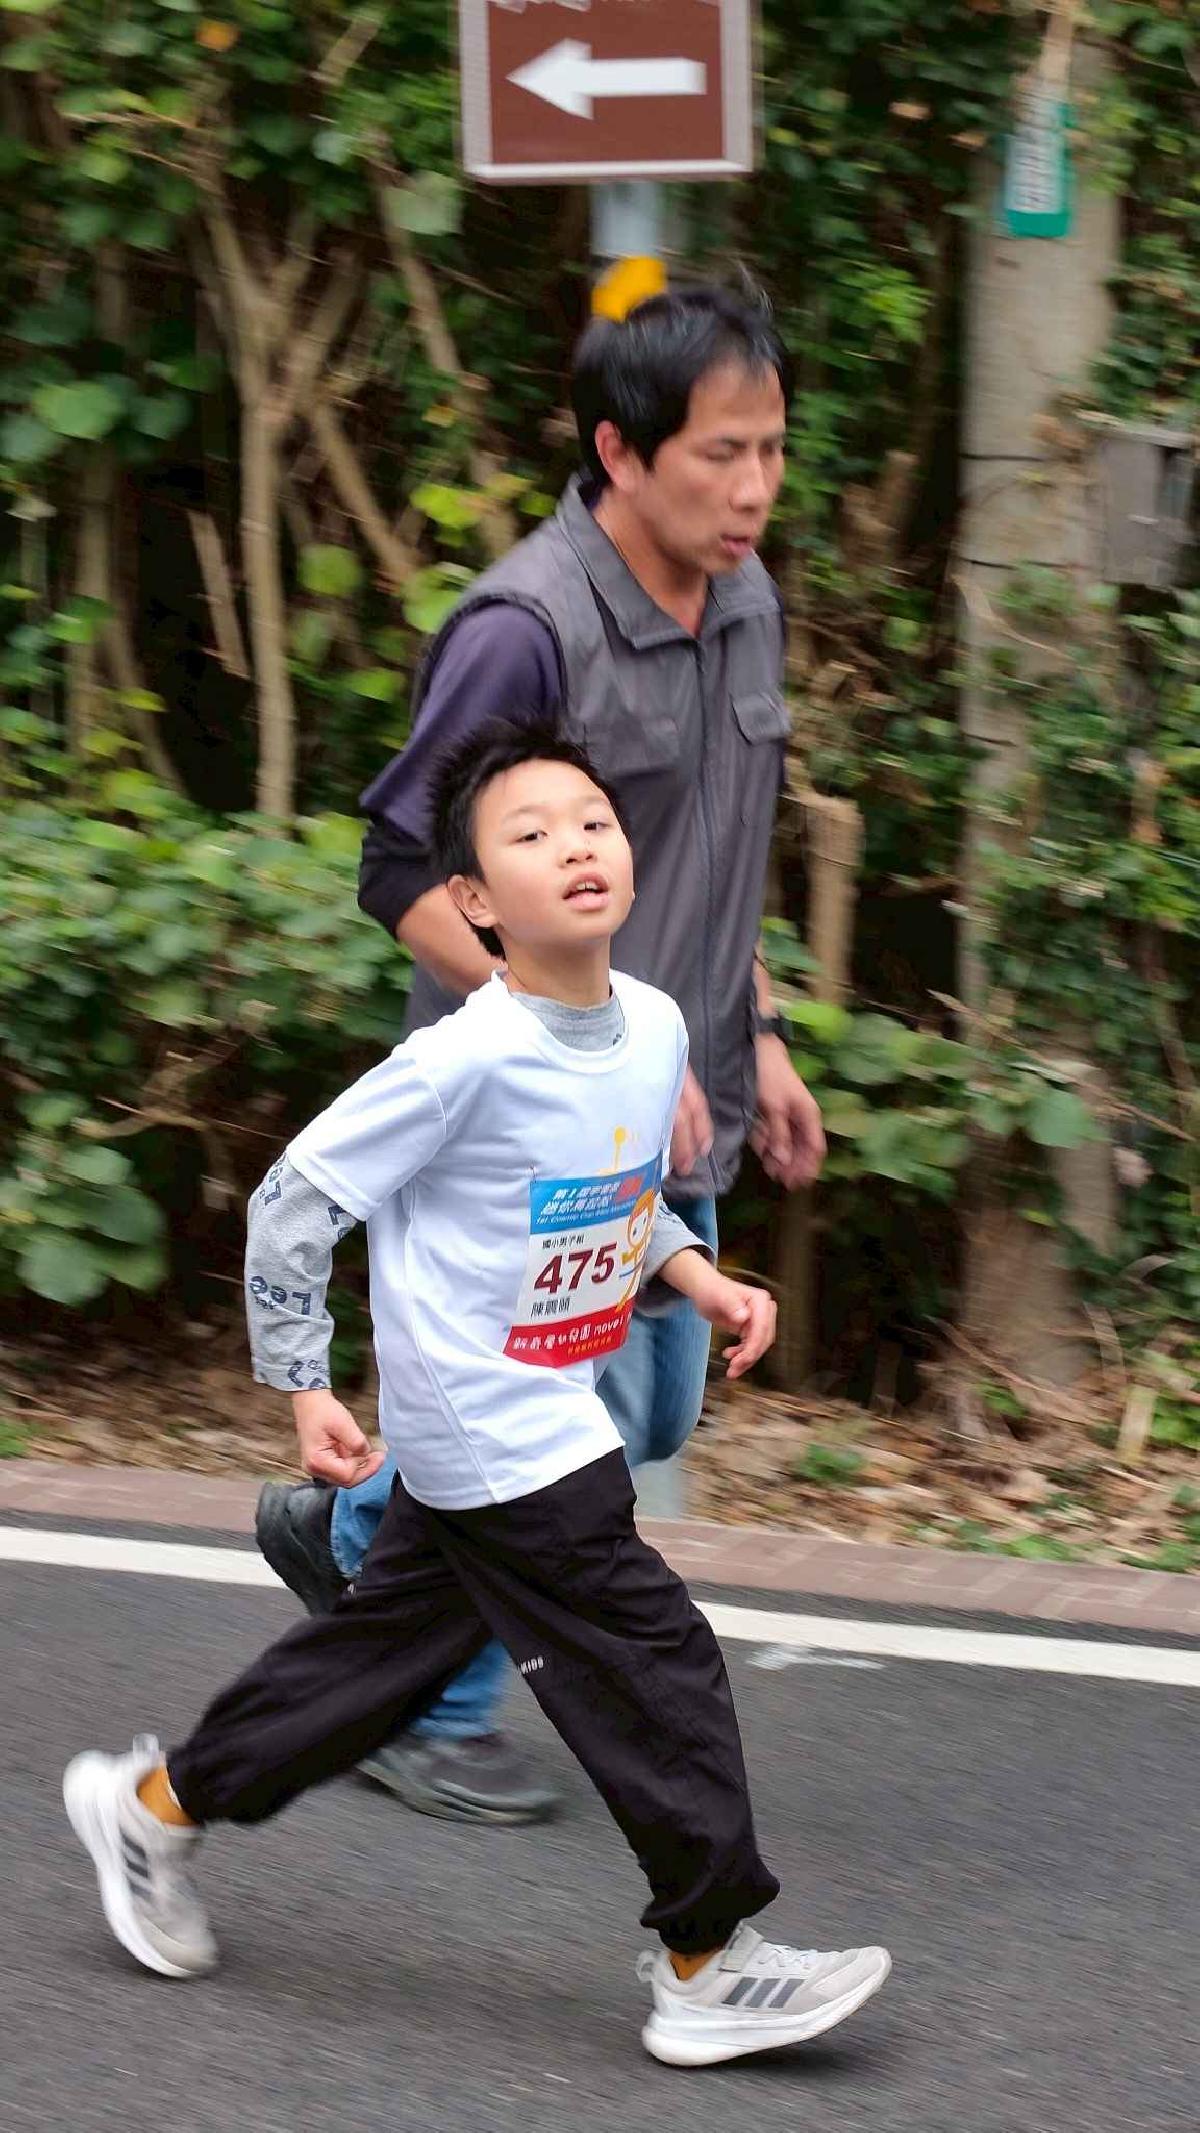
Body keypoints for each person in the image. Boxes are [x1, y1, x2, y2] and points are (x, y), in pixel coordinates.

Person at [63, 727, 891, 2068]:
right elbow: (292, 1200)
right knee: (651, 1650)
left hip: (544, 1402)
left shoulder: (658, 1026)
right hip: (489, 1417)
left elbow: (610, 1208)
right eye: (530, 832)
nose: (575, 843)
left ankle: (152, 1809)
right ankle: (708, 1956)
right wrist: (302, 1383)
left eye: (593, 820)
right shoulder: (464, 1057)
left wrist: (701, 1274)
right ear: (474, 902)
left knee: (375, 1670)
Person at [256, 282, 827, 1827]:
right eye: (722, 453)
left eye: (773, 448)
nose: (756, 487)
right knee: (572, 1421)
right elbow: (398, 868)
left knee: (638, 1410)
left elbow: (712, 847)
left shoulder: (748, 596)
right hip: (534, 1114)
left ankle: (365, 1529)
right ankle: (423, 1691)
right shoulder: (528, 627)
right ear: (619, 453)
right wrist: (567, 1013)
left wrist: (756, 1029)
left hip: (677, 1088)